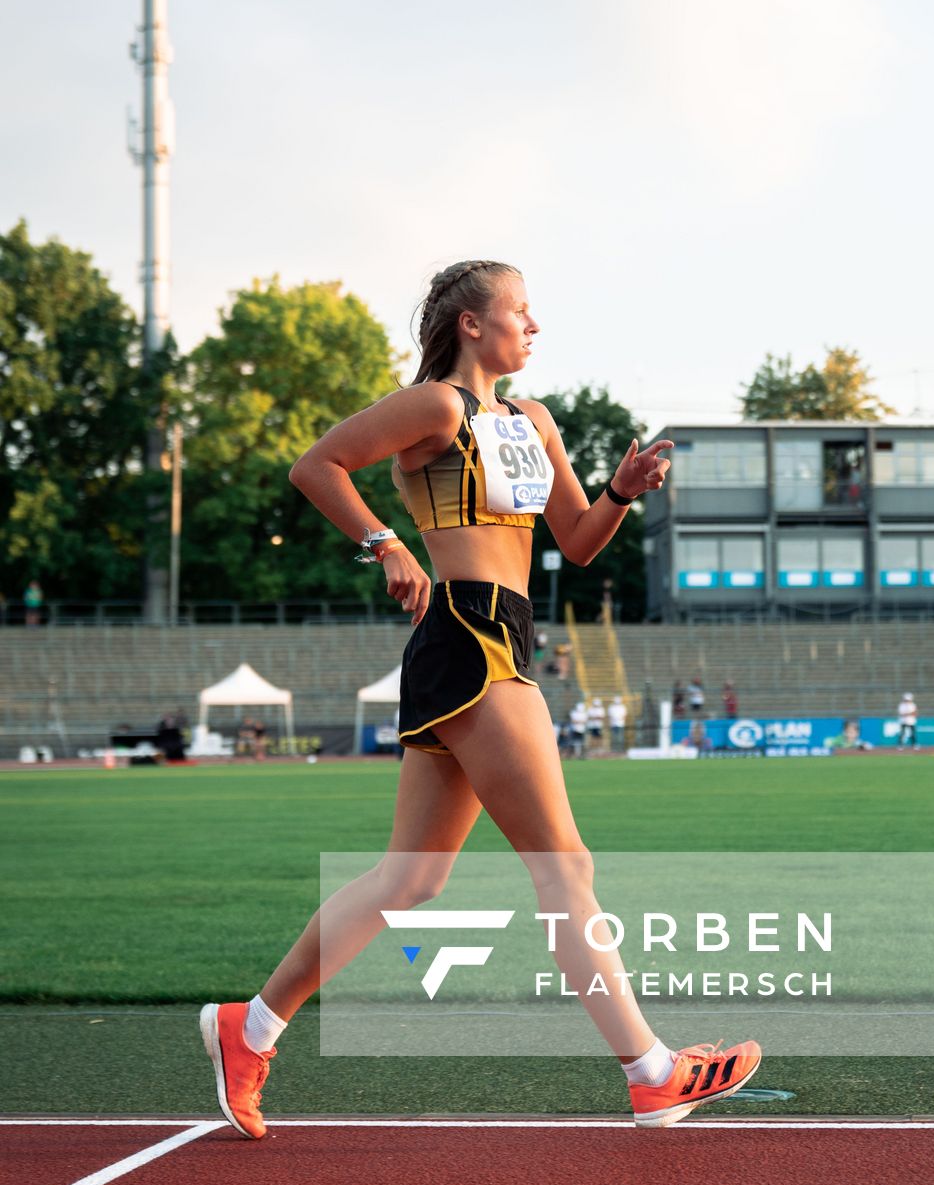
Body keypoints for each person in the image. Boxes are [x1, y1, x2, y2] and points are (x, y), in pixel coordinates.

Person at [198, 260, 760, 1137]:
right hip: (466, 633)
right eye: (521, 312)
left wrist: (621, 491)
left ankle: (251, 1025)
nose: (534, 327)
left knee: (410, 879)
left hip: (505, 633)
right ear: (470, 324)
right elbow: (319, 467)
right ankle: (653, 1071)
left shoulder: (533, 419)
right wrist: (385, 544)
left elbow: (574, 542)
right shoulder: (434, 407)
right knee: (564, 866)